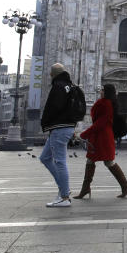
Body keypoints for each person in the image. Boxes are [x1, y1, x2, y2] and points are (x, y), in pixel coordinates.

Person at [73, 84, 127, 199]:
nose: (100, 91)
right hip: (98, 137)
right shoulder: (104, 103)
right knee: (91, 160)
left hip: (103, 137)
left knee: (108, 162)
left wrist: (84, 134)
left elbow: (100, 123)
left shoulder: (106, 104)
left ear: (107, 92)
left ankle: (125, 185)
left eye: (102, 90)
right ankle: (85, 188)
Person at [39, 63, 79, 207]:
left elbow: (52, 107)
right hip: (65, 127)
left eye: (51, 73)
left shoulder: (58, 86)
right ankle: (64, 188)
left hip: (59, 127)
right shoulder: (70, 85)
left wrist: (44, 122)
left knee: (60, 161)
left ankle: (64, 197)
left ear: (54, 74)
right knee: (44, 157)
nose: (50, 75)